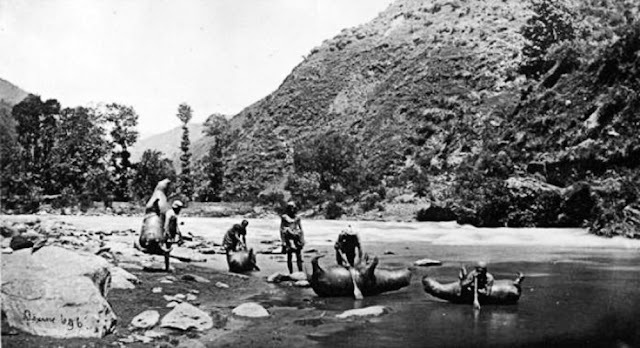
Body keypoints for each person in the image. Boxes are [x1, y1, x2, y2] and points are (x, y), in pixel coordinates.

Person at [280, 201, 304, 273]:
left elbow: (300, 228)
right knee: (289, 256)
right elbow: (281, 229)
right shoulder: (284, 217)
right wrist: (283, 241)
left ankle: (300, 271)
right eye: (290, 208)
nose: (292, 209)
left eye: (293, 208)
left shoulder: (297, 217)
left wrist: (302, 239)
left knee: (298, 256)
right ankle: (291, 272)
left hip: (296, 237)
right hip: (288, 238)